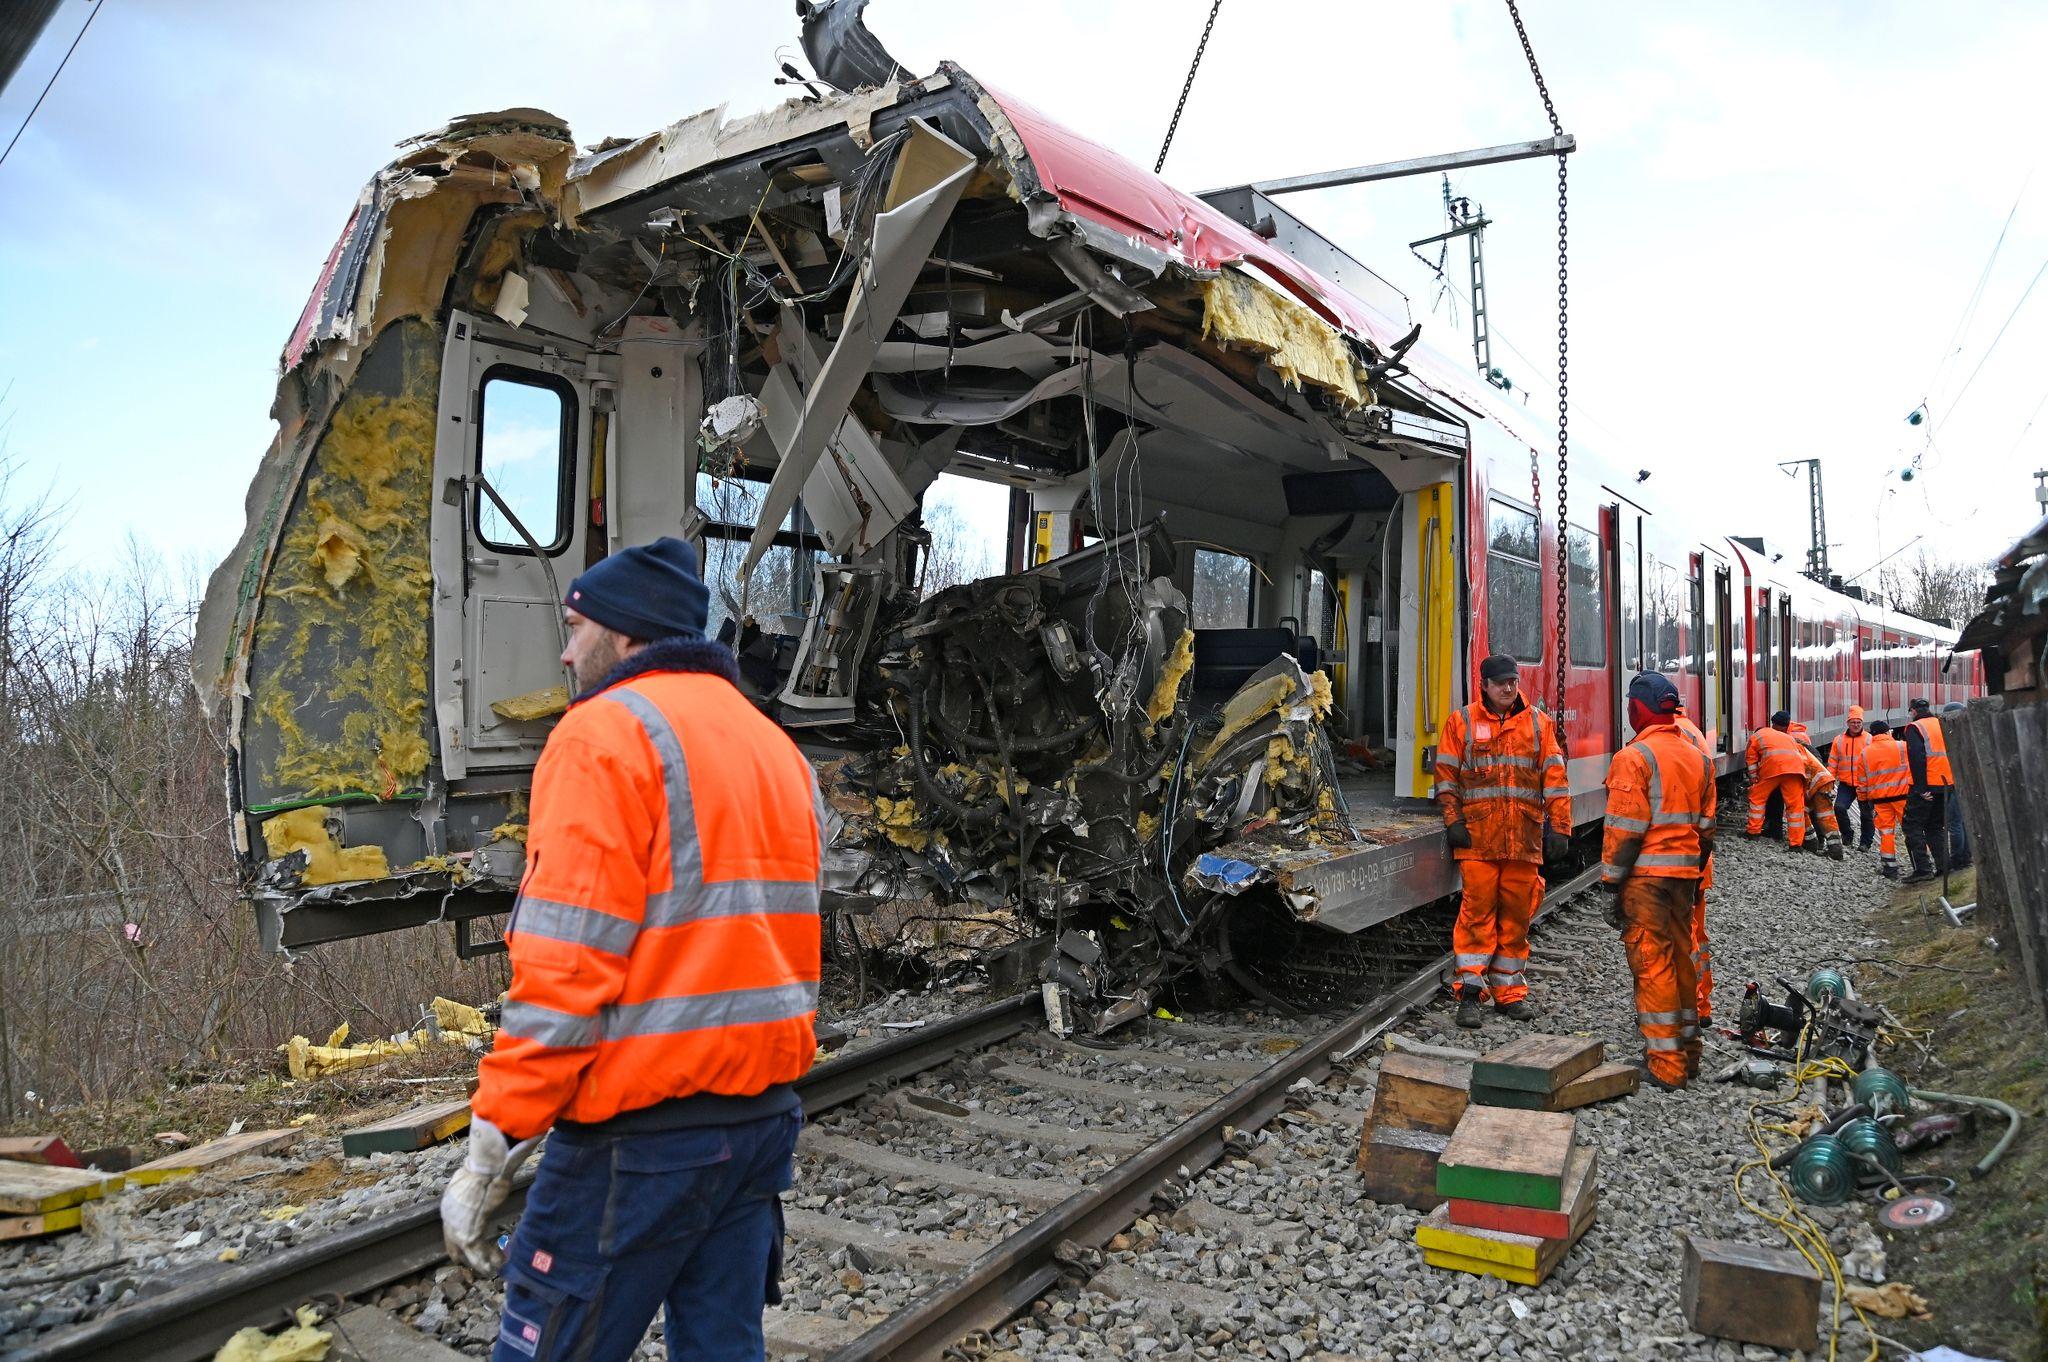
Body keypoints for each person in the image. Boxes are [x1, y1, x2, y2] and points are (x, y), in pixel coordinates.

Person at [440, 538, 825, 1362]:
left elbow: (565, 969)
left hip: (641, 1138)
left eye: (577, 628)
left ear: (627, 636)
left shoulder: (602, 737)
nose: (565, 649)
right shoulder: (776, 750)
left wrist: (494, 1144)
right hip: (760, 1122)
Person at [1434, 654, 1571, 1029]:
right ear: (1485, 686)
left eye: (1513, 681)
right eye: (1500, 683)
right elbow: (1446, 778)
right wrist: (1453, 821)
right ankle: (1469, 994)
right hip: (1478, 839)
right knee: (1476, 916)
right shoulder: (1461, 722)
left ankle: (1509, 993)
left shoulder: (1539, 725)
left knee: (1517, 917)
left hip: (1523, 841)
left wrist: (1560, 828)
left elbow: (1555, 780)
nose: (1509, 688)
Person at [1603, 672, 1716, 1089]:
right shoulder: (1697, 757)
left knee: (1652, 964)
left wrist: (1613, 883)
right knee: (1683, 957)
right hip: (1684, 876)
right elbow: (1707, 829)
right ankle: (1689, 1053)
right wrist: (1691, 867)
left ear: (1637, 709)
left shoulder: (1634, 758)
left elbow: (1625, 830)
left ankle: (1666, 1066)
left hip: (1646, 879)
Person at [1670, 703, 1716, 1049]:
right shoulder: (1695, 733)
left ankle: (1682, 1013)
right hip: (1698, 861)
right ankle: (1700, 1007)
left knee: (1678, 939)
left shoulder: (1670, 737)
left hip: (1676, 860)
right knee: (1695, 936)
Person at [1901, 697, 1954, 884]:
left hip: (1926, 786)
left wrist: (1921, 788)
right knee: (1934, 826)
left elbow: (1917, 758)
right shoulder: (1940, 723)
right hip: (1946, 784)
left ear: (1913, 711)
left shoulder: (1915, 728)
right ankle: (1944, 865)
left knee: (1912, 825)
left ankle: (1922, 869)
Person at [1745, 711, 1807, 849]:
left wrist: (1754, 778)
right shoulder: (1789, 738)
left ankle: (1753, 832)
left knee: (1757, 798)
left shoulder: (1757, 736)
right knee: (1795, 807)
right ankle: (1796, 843)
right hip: (1795, 771)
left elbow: (1751, 759)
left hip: (1773, 770)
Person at [1860, 720, 1912, 880]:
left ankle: (1890, 867)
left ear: (1873, 734)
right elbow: (1913, 769)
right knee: (1911, 830)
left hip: (1880, 801)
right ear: (1888, 732)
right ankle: (1923, 862)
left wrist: (1863, 800)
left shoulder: (1865, 752)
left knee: (1886, 832)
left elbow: (1862, 781)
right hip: (1903, 797)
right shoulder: (1902, 746)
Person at [1827, 706, 1874, 851]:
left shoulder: (1869, 739)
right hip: (1846, 783)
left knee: (1866, 815)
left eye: (1858, 722)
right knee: (1839, 808)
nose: (1856, 725)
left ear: (1862, 723)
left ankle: (1865, 843)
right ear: (1848, 723)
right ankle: (1847, 835)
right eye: (1853, 722)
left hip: (1864, 784)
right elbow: (1833, 762)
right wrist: (1829, 781)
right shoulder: (1839, 740)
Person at [1798, 746, 1846, 859]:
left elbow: (1803, 774)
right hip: (1824, 782)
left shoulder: (1795, 751)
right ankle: (1835, 850)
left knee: (1799, 810)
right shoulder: (1802, 749)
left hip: (1817, 784)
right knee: (1826, 816)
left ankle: (1811, 842)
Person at [1942, 701, 1973, 870]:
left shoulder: (1952, 734)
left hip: (1955, 784)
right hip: (1968, 783)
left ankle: (1957, 858)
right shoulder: (1970, 730)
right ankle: (1967, 856)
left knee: (1955, 824)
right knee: (1964, 822)